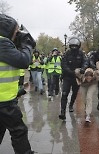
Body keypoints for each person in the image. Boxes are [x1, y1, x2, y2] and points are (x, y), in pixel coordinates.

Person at [0, 14, 35, 154]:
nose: (17, 35)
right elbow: (23, 61)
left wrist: (19, 91)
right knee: (19, 131)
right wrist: (27, 44)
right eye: (16, 32)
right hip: (4, 103)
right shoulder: (2, 42)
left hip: (4, 99)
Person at [59, 36, 88, 120]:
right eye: (72, 46)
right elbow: (63, 64)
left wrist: (82, 69)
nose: (74, 47)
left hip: (77, 78)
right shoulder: (66, 53)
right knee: (64, 93)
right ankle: (62, 112)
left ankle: (71, 105)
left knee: (75, 93)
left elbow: (85, 62)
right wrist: (71, 72)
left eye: (75, 46)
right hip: (67, 77)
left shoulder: (81, 54)